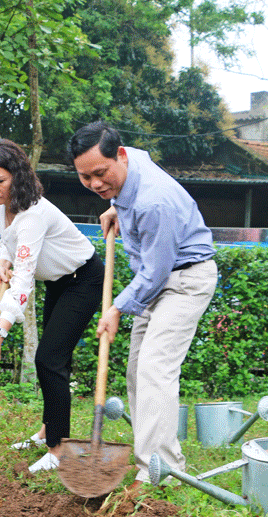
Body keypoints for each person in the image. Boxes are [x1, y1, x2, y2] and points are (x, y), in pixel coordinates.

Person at [67, 121, 217, 486]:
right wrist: (118, 207)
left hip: (184, 281)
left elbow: (155, 271)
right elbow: (130, 177)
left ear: (119, 156)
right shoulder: (129, 165)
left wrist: (116, 308)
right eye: (86, 178)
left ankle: (162, 471)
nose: (96, 184)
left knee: (155, 367)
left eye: (101, 174)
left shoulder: (154, 200)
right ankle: (148, 459)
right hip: (158, 281)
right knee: (137, 371)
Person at [0, 139, 105, 473]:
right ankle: (47, 432)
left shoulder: (33, 214)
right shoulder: (3, 206)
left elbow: (23, 282)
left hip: (83, 279)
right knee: (53, 360)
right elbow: (8, 242)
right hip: (58, 281)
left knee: (49, 360)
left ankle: (59, 450)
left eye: (0, 181)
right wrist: (2, 258)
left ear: (18, 177)